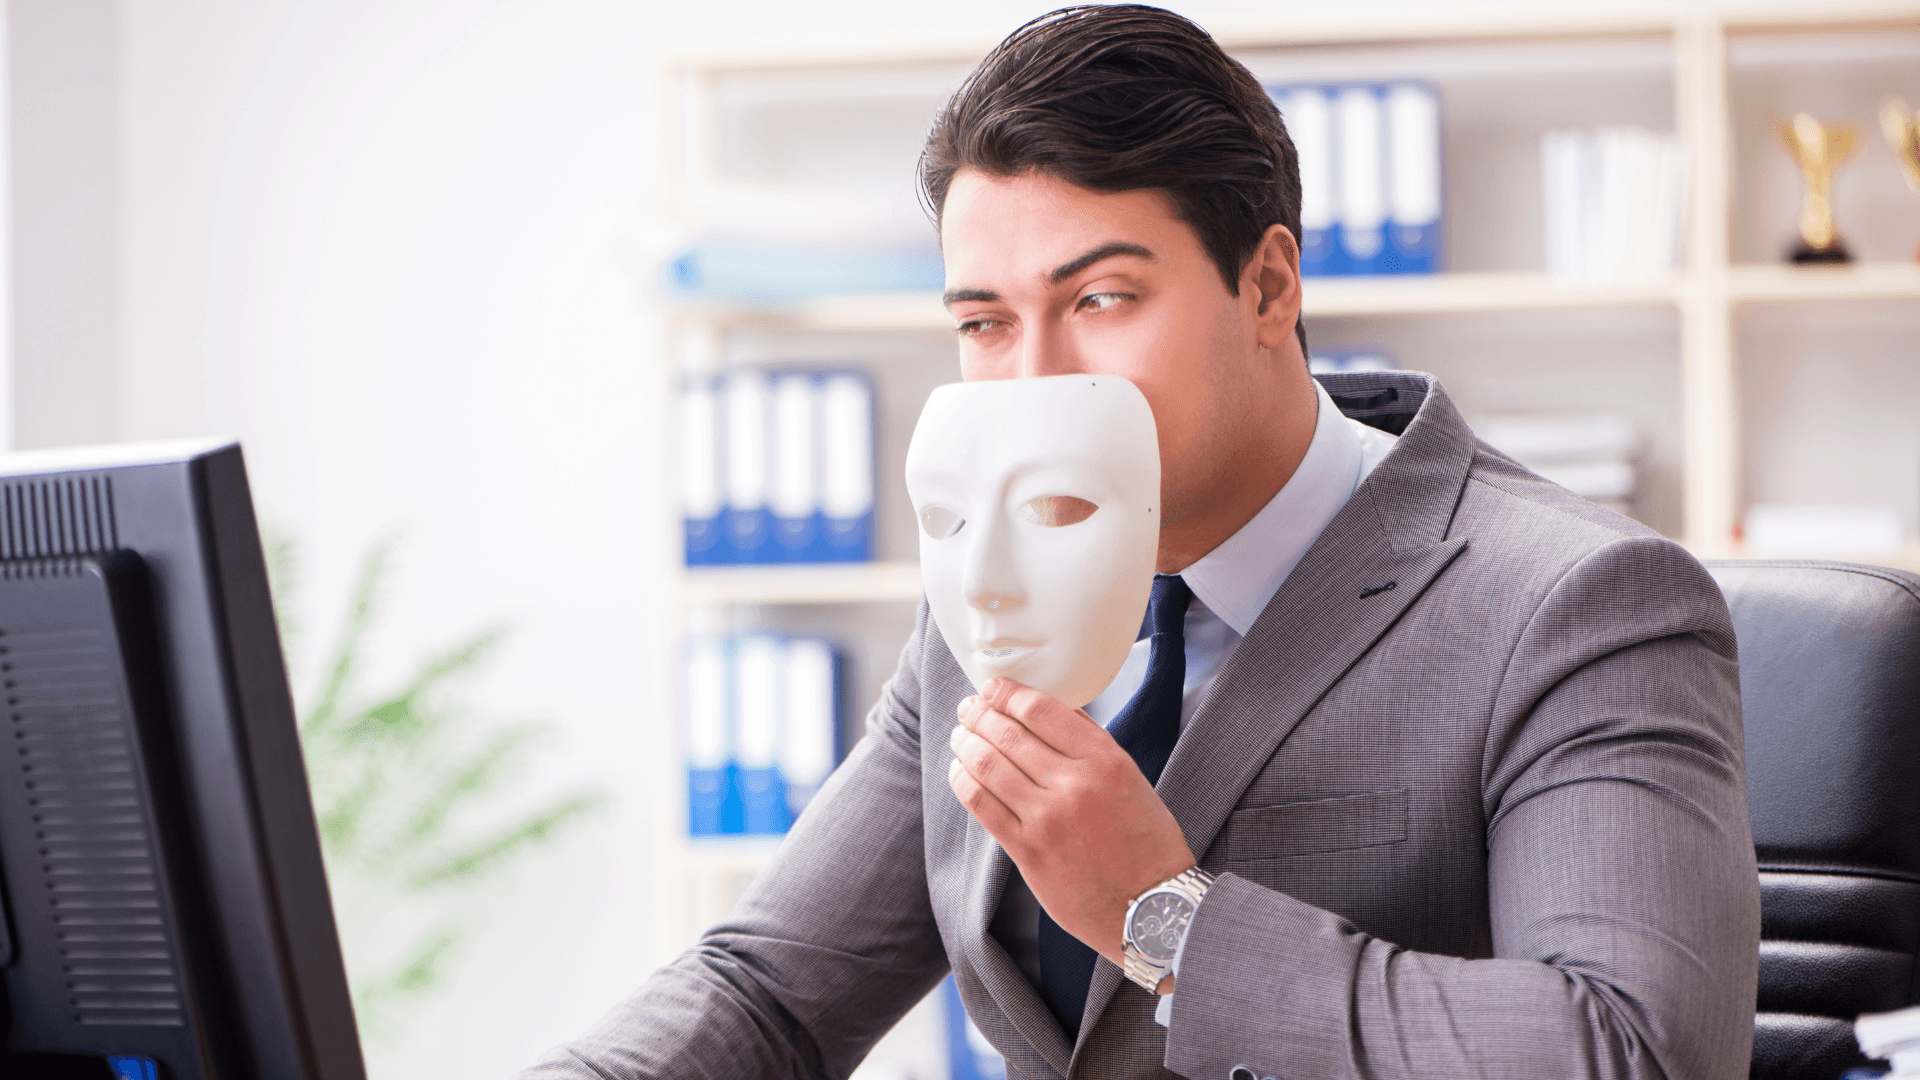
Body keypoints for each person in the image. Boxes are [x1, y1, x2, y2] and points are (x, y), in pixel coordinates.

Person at [521, 7, 1760, 1079]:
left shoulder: (1577, 600)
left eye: (1100, 301)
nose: (1039, 380)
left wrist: (1164, 921)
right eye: (987, 323)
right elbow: (774, 996)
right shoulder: (986, 598)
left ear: (1269, 288)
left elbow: (1629, 1051)